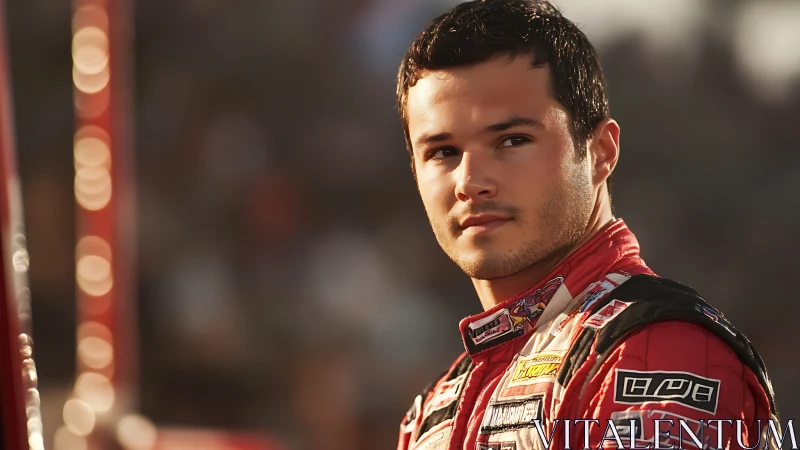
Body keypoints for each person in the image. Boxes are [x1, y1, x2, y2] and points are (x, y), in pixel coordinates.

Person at [394, 1, 778, 449]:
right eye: (443, 152)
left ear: (600, 152)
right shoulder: (434, 408)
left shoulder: (659, 351)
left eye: (512, 141)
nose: (470, 182)